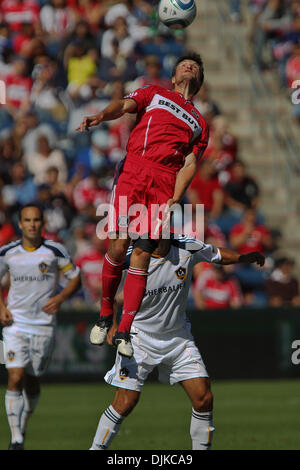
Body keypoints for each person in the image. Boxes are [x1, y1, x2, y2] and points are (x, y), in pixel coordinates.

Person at [77, 53, 210, 358]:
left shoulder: (200, 123)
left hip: (164, 183)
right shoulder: (155, 93)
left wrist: (175, 196)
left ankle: (124, 329)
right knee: (117, 245)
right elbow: (123, 106)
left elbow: (189, 163)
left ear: (198, 81)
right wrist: (101, 116)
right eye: (183, 65)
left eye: (195, 67)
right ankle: (105, 313)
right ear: (174, 77)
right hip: (135, 170)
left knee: (142, 254)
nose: (189, 67)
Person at [89, 236, 265, 450]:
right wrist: (114, 324)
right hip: (139, 337)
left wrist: (243, 258)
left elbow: (217, 254)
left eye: (164, 219)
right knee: (125, 402)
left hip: (178, 338)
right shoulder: (130, 258)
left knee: (203, 397)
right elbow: (109, 294)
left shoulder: (186, 246)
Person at [0, 204, 81, 450]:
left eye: (36, 220)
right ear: (20, 224)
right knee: (14, 378)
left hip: (44, 325)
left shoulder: (54, 250)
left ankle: (22, 424)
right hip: (14, 325)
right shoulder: (7, 252)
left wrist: (59, 298)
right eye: (28, 220)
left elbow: (75, 277)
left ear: (42, 223)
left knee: (32, 380)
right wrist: (1, 307)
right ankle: (15, 439)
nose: (32, 224)